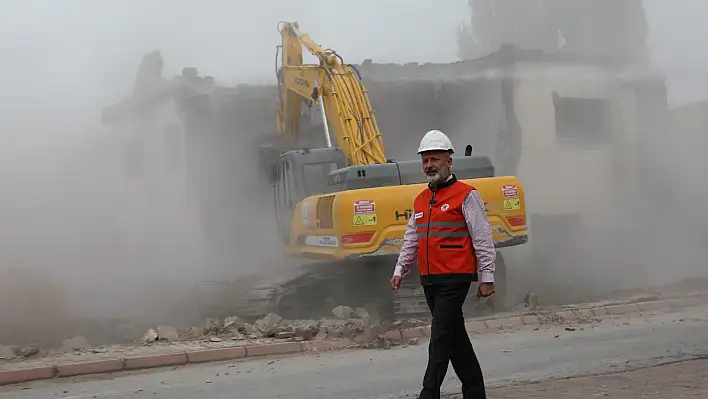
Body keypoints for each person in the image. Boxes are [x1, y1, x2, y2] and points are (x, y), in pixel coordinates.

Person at [390, 129, 496, 399]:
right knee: (455, 340)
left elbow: (482, 237)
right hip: (430, 279)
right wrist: (400, 270)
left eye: (435, 159)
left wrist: (487, 276)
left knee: (439, 340)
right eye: (425, 160)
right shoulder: (420, 200)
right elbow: (411, 239)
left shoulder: (467, 195)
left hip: (455, 278)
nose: (429, 165)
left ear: (449, 161)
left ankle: (429, 393)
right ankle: (475, 392)